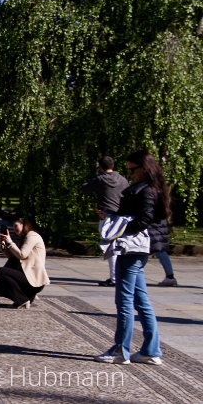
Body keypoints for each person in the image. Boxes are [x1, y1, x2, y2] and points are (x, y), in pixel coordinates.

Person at [94, 150, 164, 365]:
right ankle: (151, 351)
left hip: (130, 249)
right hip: (137, 250)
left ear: (145, 168)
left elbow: (143, 219)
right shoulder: (148, 189)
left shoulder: (145, 190)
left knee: (124, 301)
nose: (130, 174)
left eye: (133, 169)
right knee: (141, 301)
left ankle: (120, 351)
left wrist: (118, 228)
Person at [82, 156, 128, 286]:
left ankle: (114, 278)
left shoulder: (100, 179)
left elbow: (84, 187)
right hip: (121, 217)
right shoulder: (123, 179)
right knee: (118, 247)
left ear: (100, 167)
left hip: (107, 216)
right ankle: (118, 276)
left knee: (110, 248)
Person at [0, 217, 49, 308]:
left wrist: (10, 242)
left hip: (34, 279)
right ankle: (27, 297)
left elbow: (22, 255)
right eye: (13, 226)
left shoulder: (32, 236)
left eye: (16, 225)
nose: (14, 228)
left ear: (23, 225)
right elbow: (14, 257)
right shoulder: (24, 237)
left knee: (1, 271)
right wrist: (2, 244)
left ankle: (23, 299)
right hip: (26, 276)